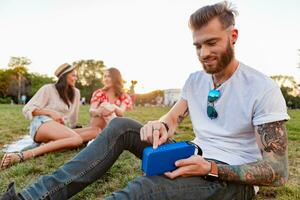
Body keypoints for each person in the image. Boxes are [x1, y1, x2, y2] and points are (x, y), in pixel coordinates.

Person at [0, 1, 289, 200]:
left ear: (233, 36)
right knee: (122, 126)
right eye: (197, 45)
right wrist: (159, 124)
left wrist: (212, 168)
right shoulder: (195, 80)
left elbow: (278, 171)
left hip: (229, 179)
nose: (203, 53)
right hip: (193, 154)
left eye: (211, 43)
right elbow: (173, 118)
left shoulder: (261, 88)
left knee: (144, 189)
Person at [0, 63, 100, 170]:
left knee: (96, 131)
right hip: (42, 123)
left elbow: (73, 119)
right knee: (76, 139)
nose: (75, 78)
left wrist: (72, 127)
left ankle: (50, 144)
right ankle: (23, 156)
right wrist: (50, 113)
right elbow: (27, 109)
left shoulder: (76, 93)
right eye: (73, 75)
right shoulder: (48, 89)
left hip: (62, 127)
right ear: (64, 76)